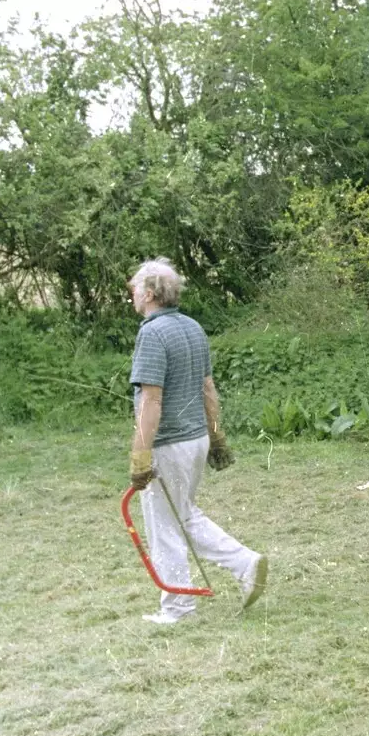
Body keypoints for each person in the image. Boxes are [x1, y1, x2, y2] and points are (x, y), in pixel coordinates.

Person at [127, 258, 267, 623]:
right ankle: (246, 564)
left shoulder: (152, 334)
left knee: (164, 526)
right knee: (184, 517)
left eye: (136, 289)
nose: (133, 296)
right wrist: (216, 436)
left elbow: (151, 401)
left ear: (151, 293)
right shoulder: (192, 327)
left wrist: (140, 455)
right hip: (195, 441)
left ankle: (177, 608)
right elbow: (208, 388)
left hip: (169, 445)